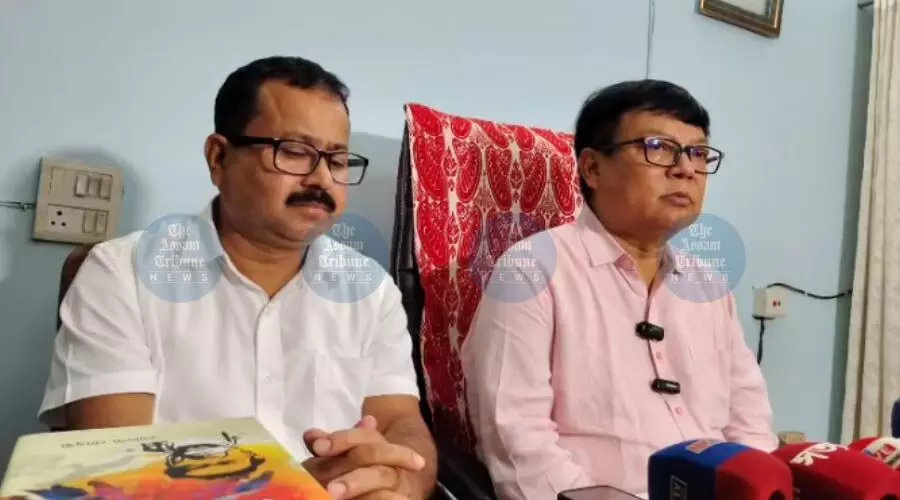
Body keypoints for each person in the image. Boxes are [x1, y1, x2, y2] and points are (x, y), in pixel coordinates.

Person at [39, 56, 437, 500]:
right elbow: (116, 468)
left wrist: (396, 478)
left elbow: (401, 423)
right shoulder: (119, 274)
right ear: (220, 157)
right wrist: (290, 491)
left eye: (338, 160)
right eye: (294, 152)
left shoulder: (370, 289)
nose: (322, 179)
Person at [461, 80, 777, 499]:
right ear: (592, 168)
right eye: (658, 147)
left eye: (698, 153)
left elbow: (750, 425)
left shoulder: (710, 287)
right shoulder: (531, 271)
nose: (685, 169)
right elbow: (519, 445)